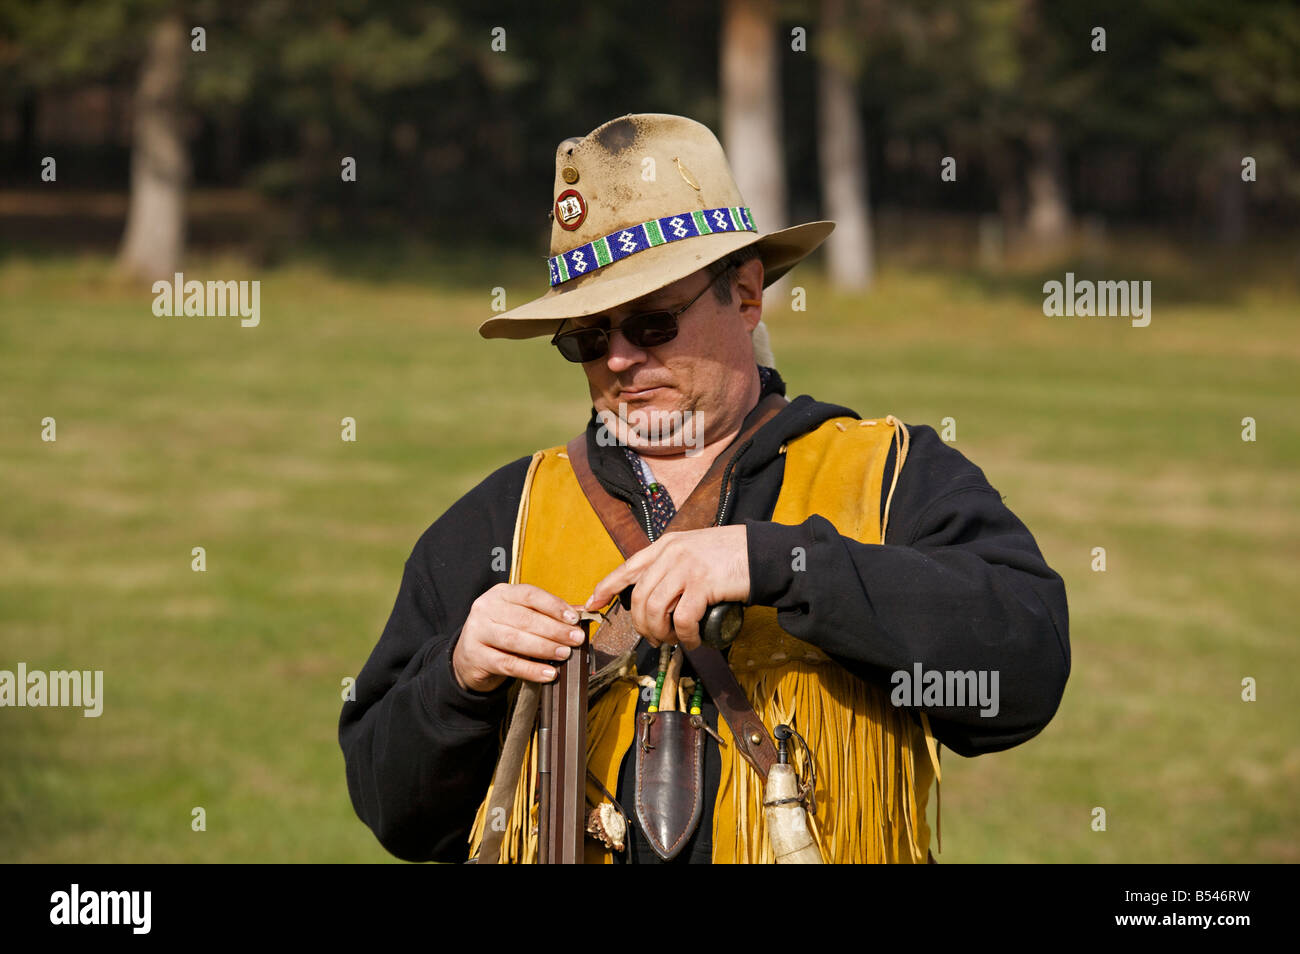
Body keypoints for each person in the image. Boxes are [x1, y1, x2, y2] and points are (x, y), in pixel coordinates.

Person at [339, 113, 1070, 864]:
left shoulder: (893, 476)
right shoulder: (501, 519)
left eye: (652, 323)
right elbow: (393, 811)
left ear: (747, 296)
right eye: (586, 339)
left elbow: (1023, 675)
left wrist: (783, 564)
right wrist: (459, 678)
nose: (619, 359)